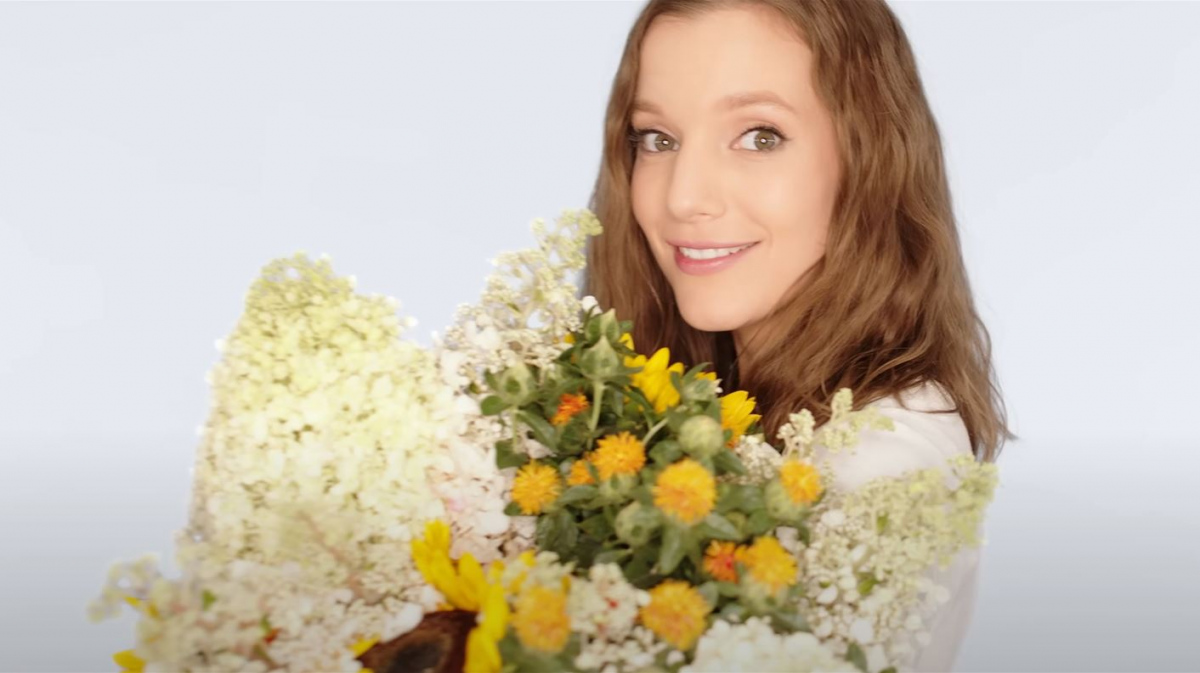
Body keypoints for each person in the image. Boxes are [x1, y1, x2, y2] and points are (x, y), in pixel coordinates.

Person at [582, 0, 1017, 670]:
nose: (682, 197)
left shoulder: (880, 468)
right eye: (657, 139)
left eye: (760, 136)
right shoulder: (704, 408)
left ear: (869, 159)